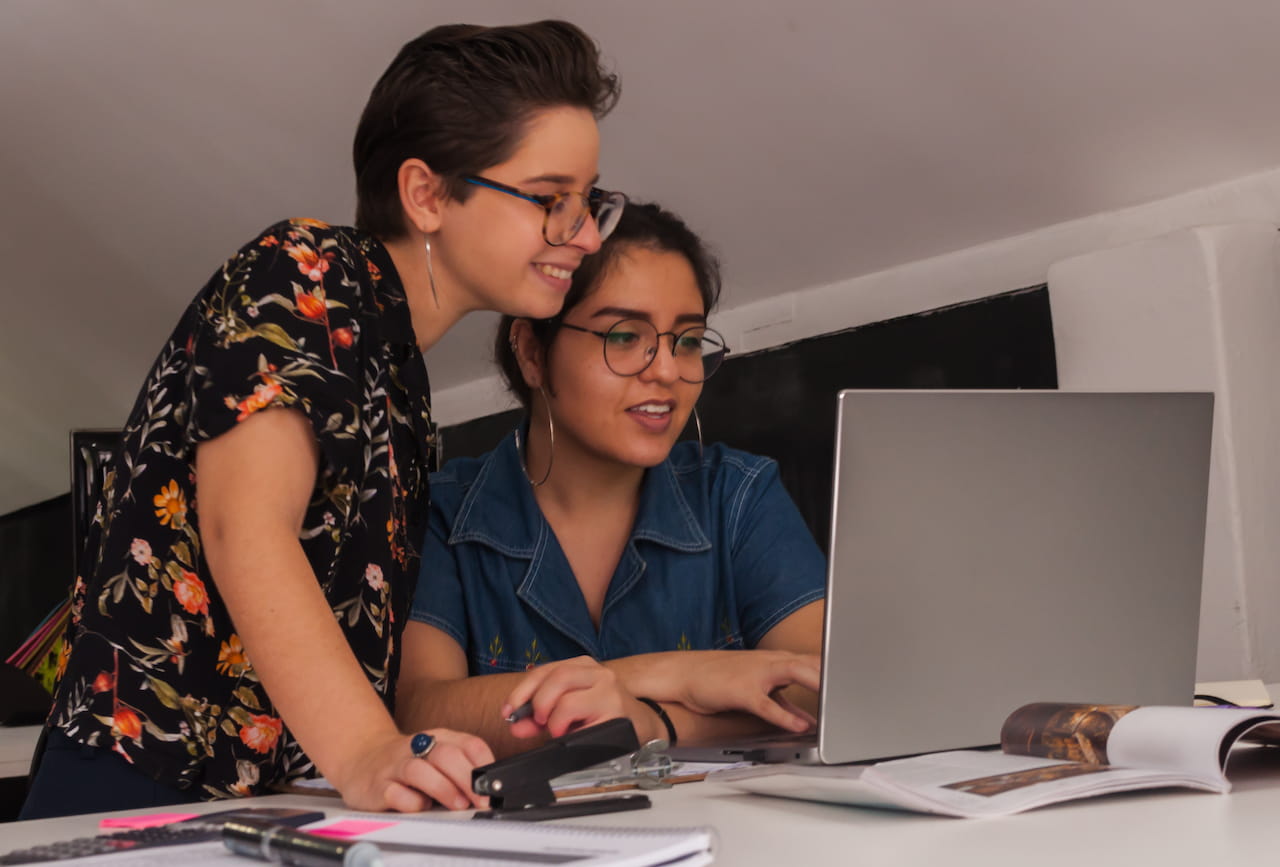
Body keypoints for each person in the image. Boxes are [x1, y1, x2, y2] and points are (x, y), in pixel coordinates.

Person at [22, 20, 626, 819]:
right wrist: (369, 751)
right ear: (427, 194)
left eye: (590, 204)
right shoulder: (302, 270)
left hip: (254, 801)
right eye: (552, 201)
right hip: (139, 778)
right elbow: (248, 528)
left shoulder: (398, 372)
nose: (582, 235)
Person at [396, 203, 826, 757]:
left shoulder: (738, 494)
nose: (667, 370)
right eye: (624, 336)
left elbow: (817, 689)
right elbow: (422, 714)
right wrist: (676, 673)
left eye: (688, 340)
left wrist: (650, 721)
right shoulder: (442, 515)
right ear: (532, 351)